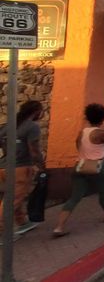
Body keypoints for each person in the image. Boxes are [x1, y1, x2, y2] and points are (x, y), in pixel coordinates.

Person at [53, 104, 104, 238]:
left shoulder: (82, 132)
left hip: (81, 165)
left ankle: (59, 226)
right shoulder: (101, 133)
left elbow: (78, 145)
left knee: (75, 197)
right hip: (98, 165)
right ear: (102, 119)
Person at [0, 101, 45, 238]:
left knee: (12, 196)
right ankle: (2, 232)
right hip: (20, 168)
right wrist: (41, 164)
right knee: (13, 200)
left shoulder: (9, 125)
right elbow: (34, 149)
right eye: (41, 111)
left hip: (4, 167)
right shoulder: (32, 127)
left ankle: (22, 222)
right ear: (36, 111)